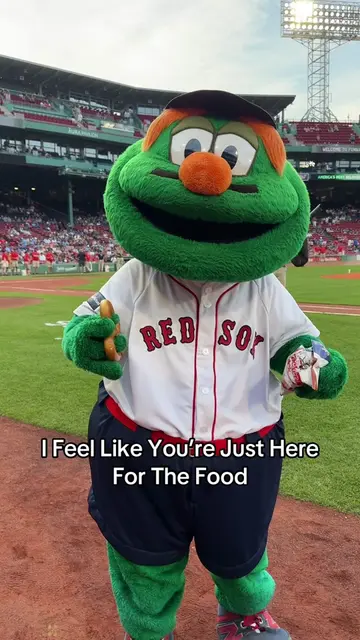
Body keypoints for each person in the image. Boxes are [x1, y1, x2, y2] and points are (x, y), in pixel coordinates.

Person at [62, 90, 348, 640]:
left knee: (241, 552)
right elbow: (83, 329)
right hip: (138, 445)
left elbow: (298, 347)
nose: (207, 173)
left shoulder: (264, 290)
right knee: (143, 556)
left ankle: (243, 616)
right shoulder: (135, 277)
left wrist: (314, 367)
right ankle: (150, 630)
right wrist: (89, 342)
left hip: (243, 446)